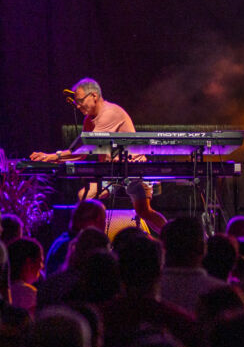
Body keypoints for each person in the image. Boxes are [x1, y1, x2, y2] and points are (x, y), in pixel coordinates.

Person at [29, 77, 166, 234]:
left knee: (144, 212)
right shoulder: (89, 120)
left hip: (135, 171)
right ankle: (91, 239)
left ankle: (170, 236)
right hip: (113, 174)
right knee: (84, 196)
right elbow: (80, 154)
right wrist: (51, 158)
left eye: (80, 101)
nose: (77, 105)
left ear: (94, 96)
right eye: (76, 102)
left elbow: (84, 149)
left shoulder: (109, 113)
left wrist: (51, 157)